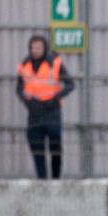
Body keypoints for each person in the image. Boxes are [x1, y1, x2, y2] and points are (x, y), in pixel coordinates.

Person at [16, 34, 74, 180]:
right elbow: (19, 88)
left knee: (55, 148)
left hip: (52, 111)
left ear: (45, 48)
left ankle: (55, 179)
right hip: (34, 112)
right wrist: (27, 101)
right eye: (32, 47)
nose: (35, 50)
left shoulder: (55, 63)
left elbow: (70, 85)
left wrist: (55, 99)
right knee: (36, 148)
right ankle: (41, 180)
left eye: (38, 47)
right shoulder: (24, 65)